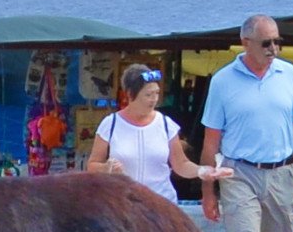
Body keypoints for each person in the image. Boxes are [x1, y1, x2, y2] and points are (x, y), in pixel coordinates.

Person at [201, 15, 293, 232]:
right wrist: (208, 192)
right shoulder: (222, 80)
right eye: (266, 43)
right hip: (238, 172)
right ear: (246, 42)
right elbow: (211, 140)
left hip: (282, 173)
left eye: (277, 41)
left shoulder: (290, 74)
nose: (273, 49)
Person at [93, 63, 221, 214]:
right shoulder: (110, 124)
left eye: (156, 93)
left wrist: (202, 171)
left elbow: (180, 164)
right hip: (123, 205)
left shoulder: (166, 124)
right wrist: (107, 168)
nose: (154, 99)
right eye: (148, 95)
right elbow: (93, 164)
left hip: (161, 204)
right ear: (129, 94)